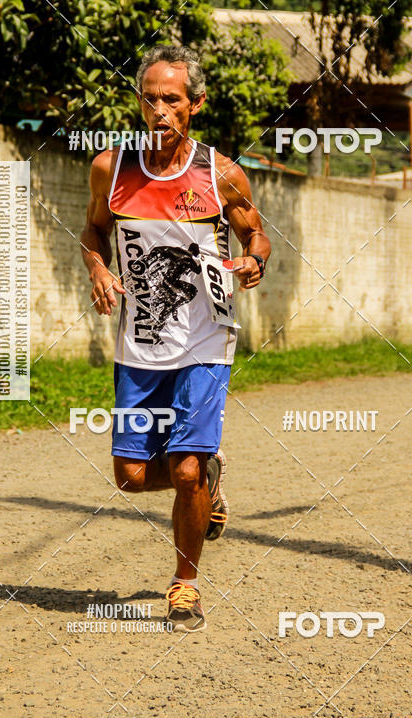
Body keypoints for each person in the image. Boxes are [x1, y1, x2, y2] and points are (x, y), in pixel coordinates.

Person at [81, 45, 270, 632]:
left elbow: (255, 233)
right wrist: (98, 266)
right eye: (151, 97)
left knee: (183, 469)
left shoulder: (220, 173)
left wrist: (253, 261)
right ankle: (206, 482)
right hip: (140, 344)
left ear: (195, 105)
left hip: (205, 342)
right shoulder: (111, 168)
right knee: (130, 477)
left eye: (173, 99)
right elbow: (93, 226)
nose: (160, 108)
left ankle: (184, 583)